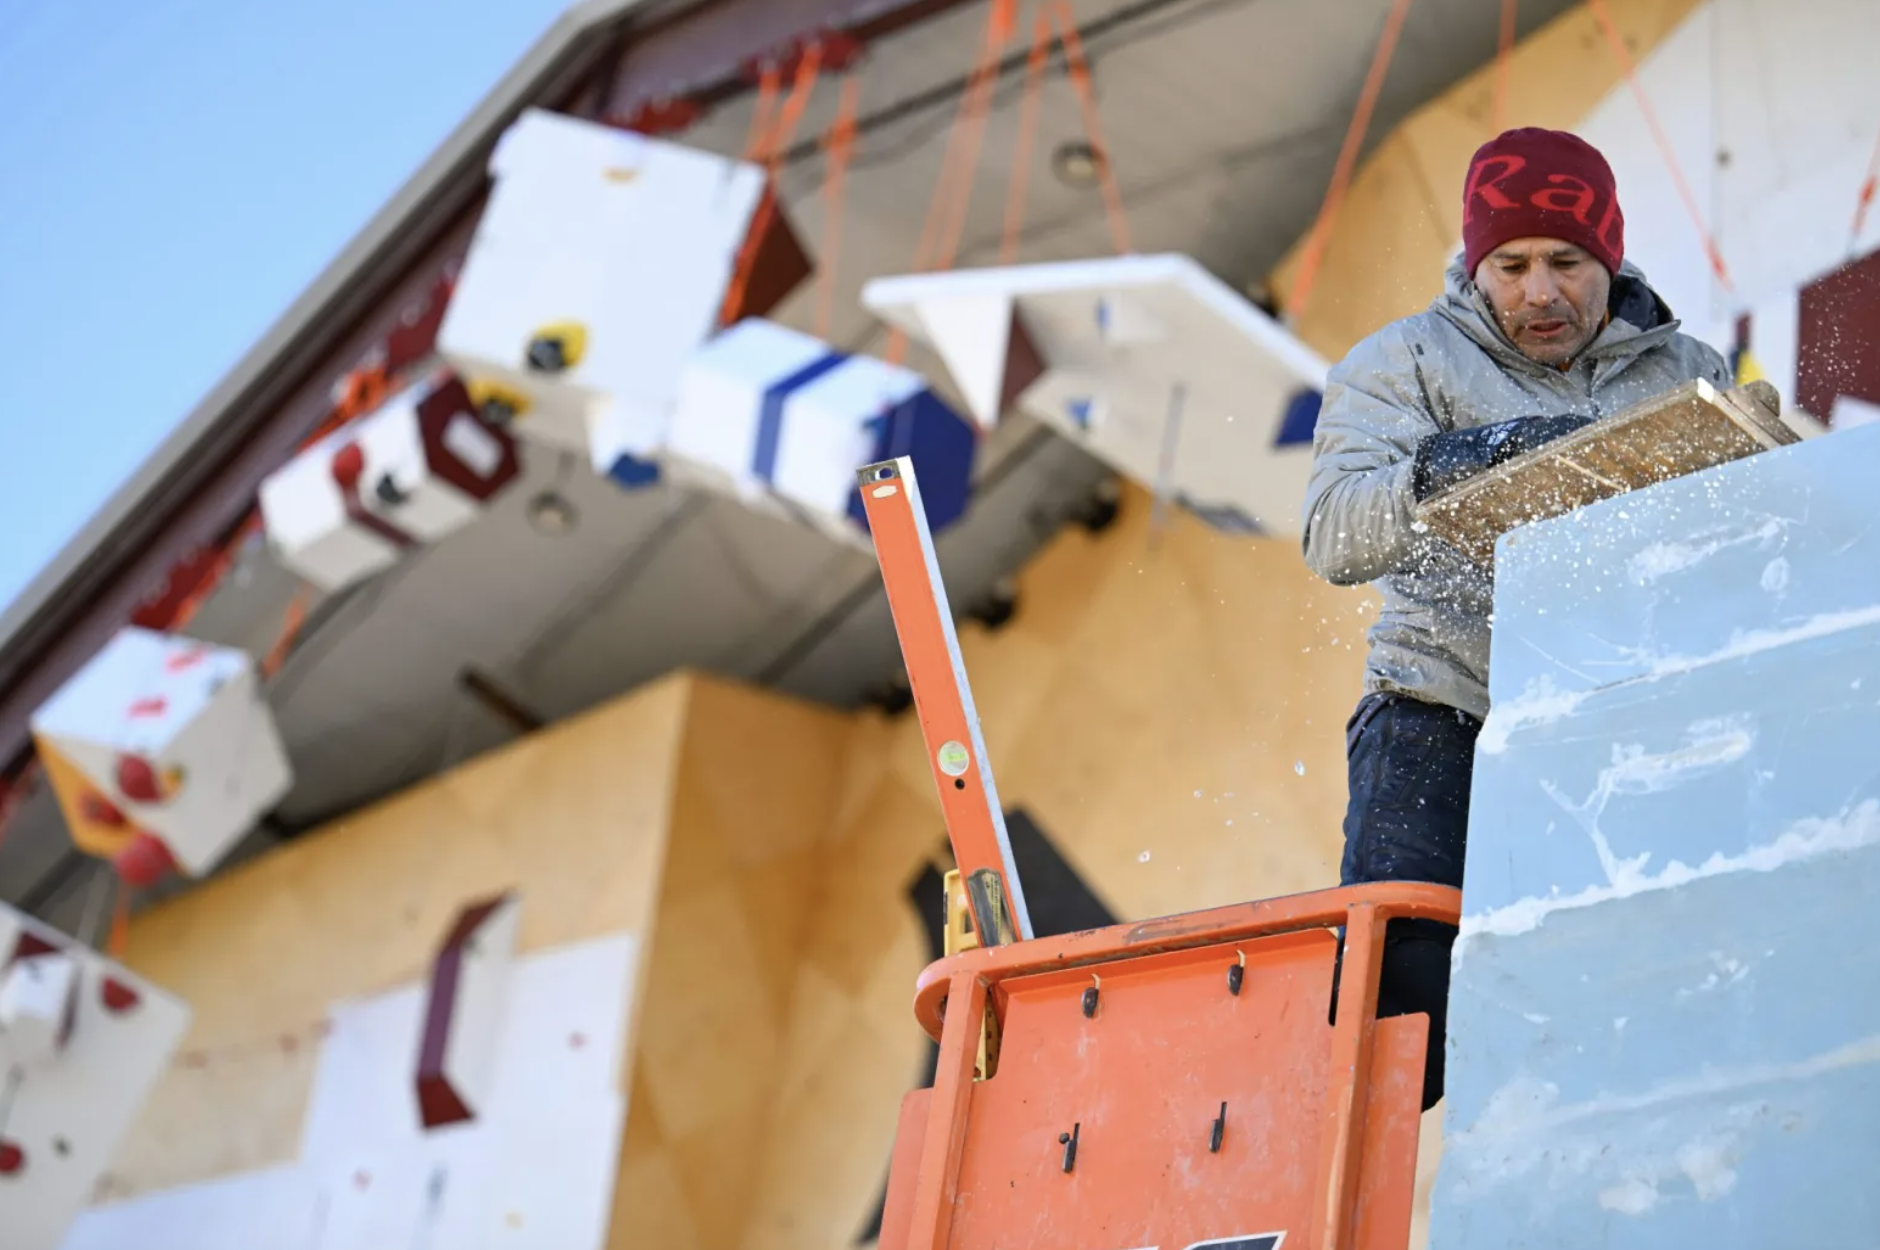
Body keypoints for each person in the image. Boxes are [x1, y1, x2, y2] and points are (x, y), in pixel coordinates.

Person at [1300, 127, 1733, 1111]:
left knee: (1632, 1002)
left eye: (1565, 262)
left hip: (1611, 729)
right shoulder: (1402, 360)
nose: (1538, 293)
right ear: (1474, 261)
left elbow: (1750, 532)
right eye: (1511, 264)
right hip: (1437, 713)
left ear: (1608, 258)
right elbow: (1330, 533)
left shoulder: (1685, 371)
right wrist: (1457, 462)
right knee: (1401, 1028)